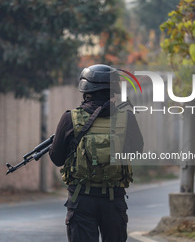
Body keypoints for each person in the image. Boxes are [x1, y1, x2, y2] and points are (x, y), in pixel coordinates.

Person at [49, 64, 144, 242]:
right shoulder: (127, 118)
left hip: (81, 199)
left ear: (85, 89)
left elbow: (57, 158)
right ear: (114, 89)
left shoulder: (71, 118)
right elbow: (138, 151)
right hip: (113, 199)